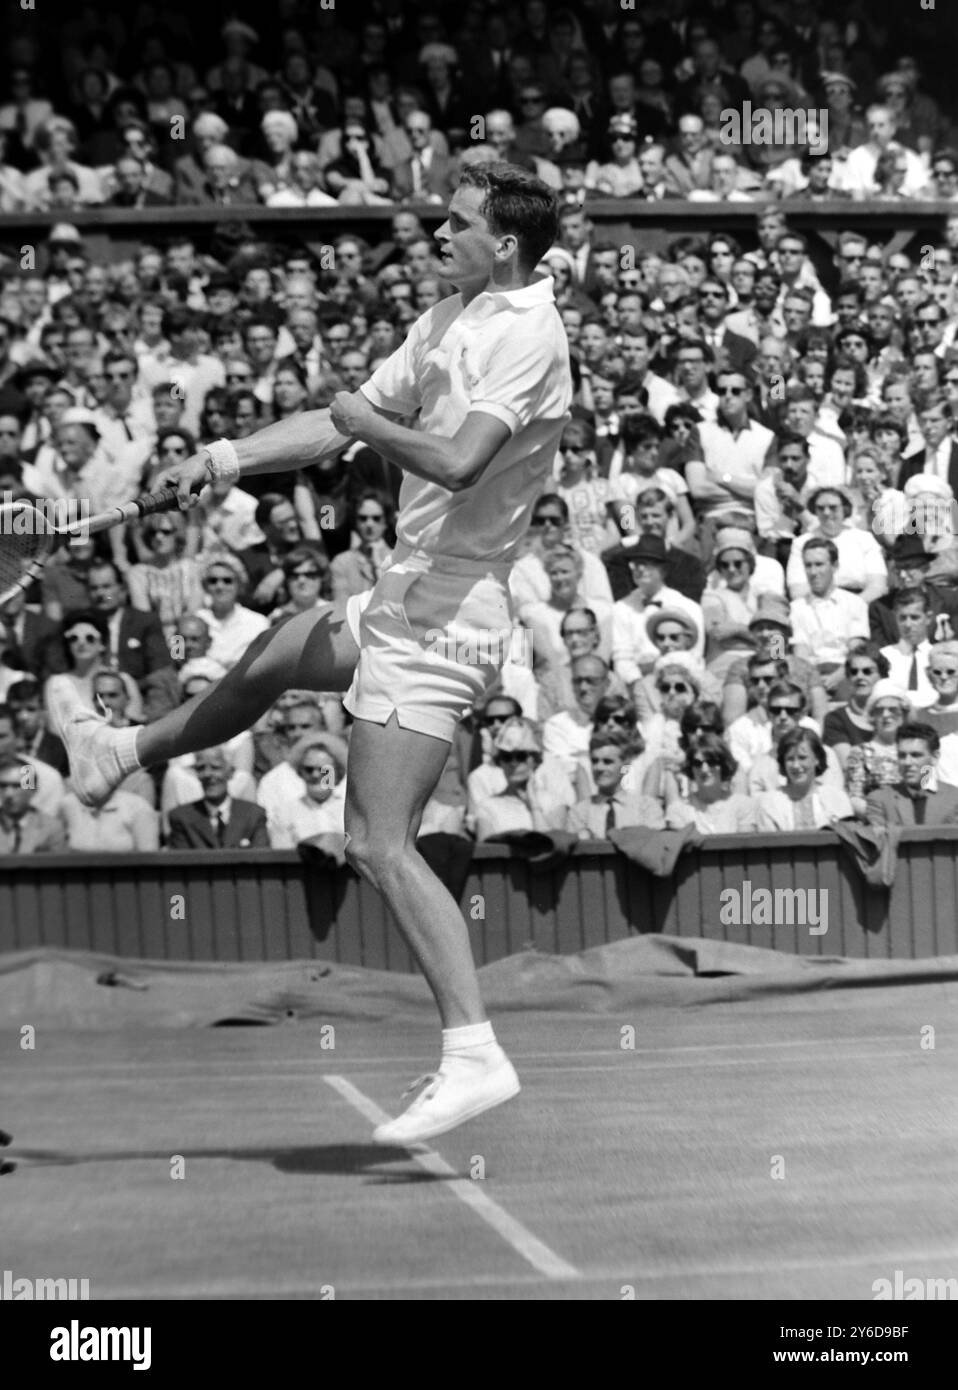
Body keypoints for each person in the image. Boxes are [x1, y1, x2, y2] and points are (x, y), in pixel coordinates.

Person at [49, 163, 572, 1146]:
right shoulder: (452, 314)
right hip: (406, 586)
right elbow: (335, 421)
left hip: (446, 614)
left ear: (504, 242)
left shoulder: (527, 333)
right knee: (281, 649)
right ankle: (121, 751)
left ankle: (474, 1052)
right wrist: (220, 459)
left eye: (455, 225)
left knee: (378, 839)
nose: (435, 236)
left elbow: (456, 461)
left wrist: (371, 423)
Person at [168, 746, 269, 850]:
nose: (207, 774)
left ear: (230, 772)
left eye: (215, 767)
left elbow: (261, 859)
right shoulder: (182, 818)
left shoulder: (253, 815)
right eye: (201, 768)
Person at [755, 728, 855, 830]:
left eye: (802, 758)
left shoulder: (837, 798)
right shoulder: (769, 802)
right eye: (790, 759)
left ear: (816, 759)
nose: (796, 765)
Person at [865, 722, 958, 827]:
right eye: (902, 755)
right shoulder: (880, 800)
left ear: (934, 757)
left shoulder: (955, 799)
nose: (907, 762)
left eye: (916, 755)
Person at [0, 753, 66, 853]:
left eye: (17, 786)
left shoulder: (50, 828)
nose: (9, 794)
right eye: (3, 786)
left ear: (32, 790)